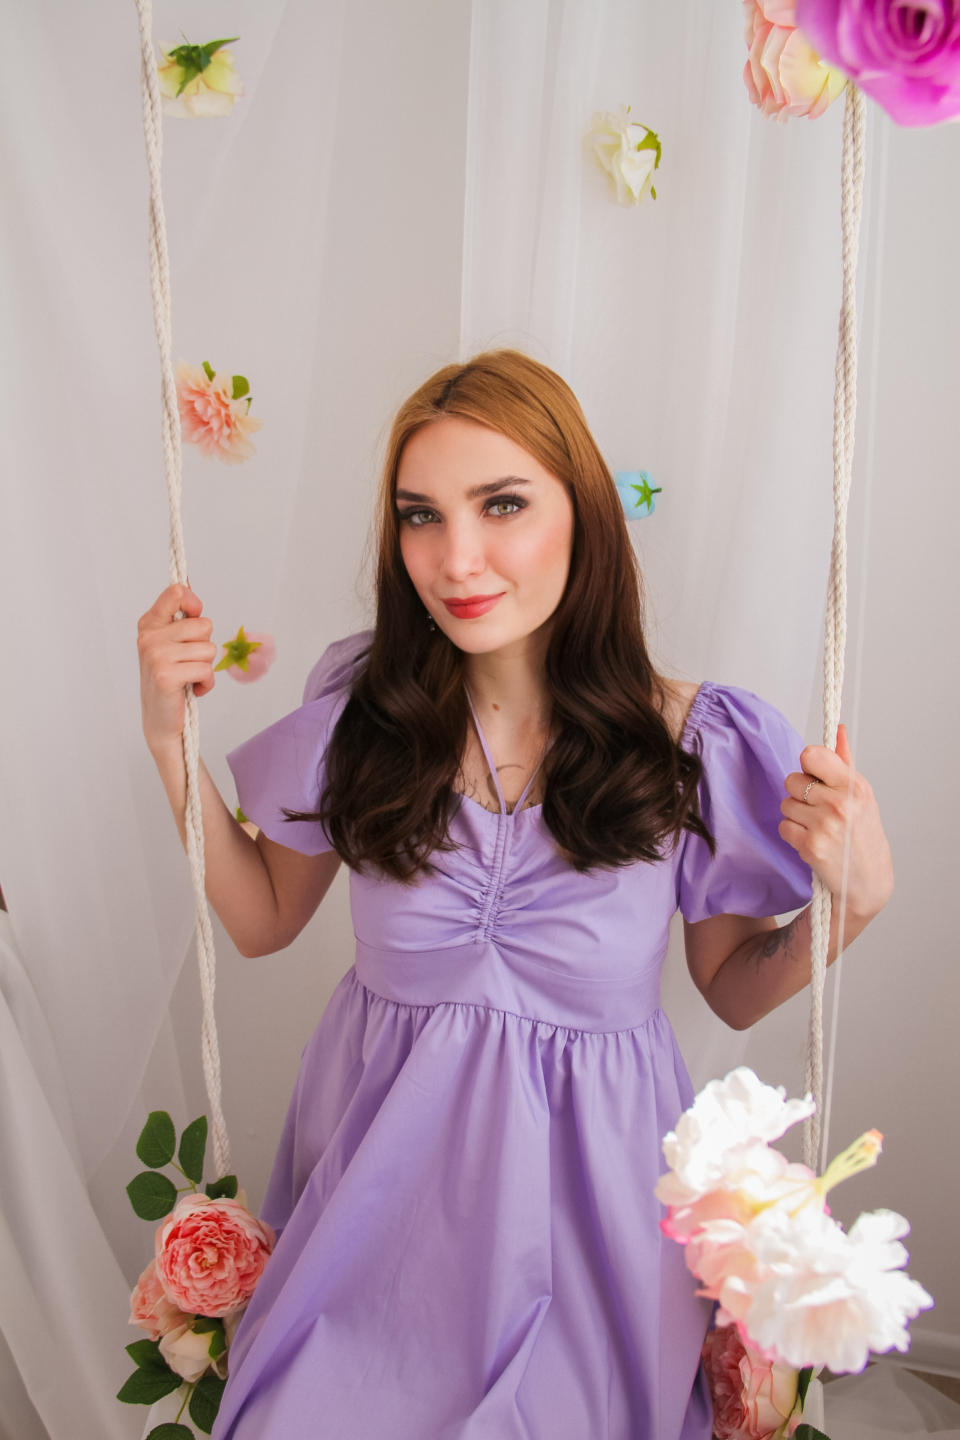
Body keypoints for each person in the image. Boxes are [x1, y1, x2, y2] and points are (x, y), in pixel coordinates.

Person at [137, 348, 893, 1439]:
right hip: (377, 1233)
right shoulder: (366, 710)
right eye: (421, 515)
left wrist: (849, 906)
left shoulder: (693, 742)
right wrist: (171, 745)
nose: (457, 559)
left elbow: (731, 989)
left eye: (502, 504)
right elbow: (260, 919)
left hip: (593, 1231)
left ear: (582, 513)